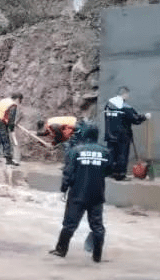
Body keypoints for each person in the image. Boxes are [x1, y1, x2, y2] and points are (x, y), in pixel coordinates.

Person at [49, 122, 111, 263]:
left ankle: (61, 250)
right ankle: (97, 255)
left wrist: (64, 188)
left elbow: (68, 172)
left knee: (70, 223)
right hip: (97, 194)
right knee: (97, 226)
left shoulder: (75, 151)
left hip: (78, 193)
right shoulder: (105, 152)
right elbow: (109, 171)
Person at [104, 87, 150, 181]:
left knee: (111, 154)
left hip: (110, 135)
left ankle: (110, 173)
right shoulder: (125, 107)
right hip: (122, 137)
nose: (128, 96)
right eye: (127, 94)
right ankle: (120, 175)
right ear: (124, 94)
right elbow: (135, 119)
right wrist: (145, 117)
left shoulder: (108, 105)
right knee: (122, 155)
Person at [0, 93, 23, 165]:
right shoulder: (13, 104)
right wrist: (11, 128)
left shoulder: (5, 100)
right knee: (6, 141)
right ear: (18, 99)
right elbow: (11, 118)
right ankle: (9, 161)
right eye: (20, 101)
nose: (19, 103)